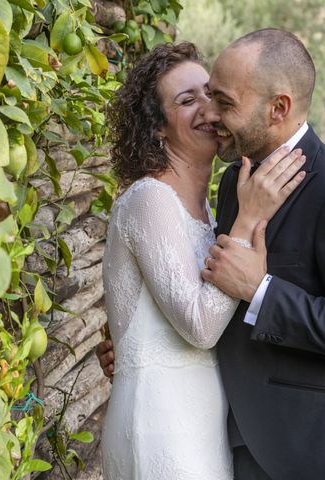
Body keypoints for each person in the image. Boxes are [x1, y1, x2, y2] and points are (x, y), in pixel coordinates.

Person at [98, 30, 325, 480]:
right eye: (200, 99)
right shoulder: (228, 185)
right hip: (221, 434)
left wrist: (261, 291)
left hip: (313, 445)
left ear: (277, 108)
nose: (212, 114)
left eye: (223, 101)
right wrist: (136, 345)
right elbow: (196, 293)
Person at [99, 42, 306, 480]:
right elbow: (199, 325)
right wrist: (250, 217)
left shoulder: (205, 209)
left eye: (211, 95)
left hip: (201, 418)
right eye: (186, 100)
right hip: (159, 422)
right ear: (157, 128)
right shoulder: (149, 200)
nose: (209, 111)